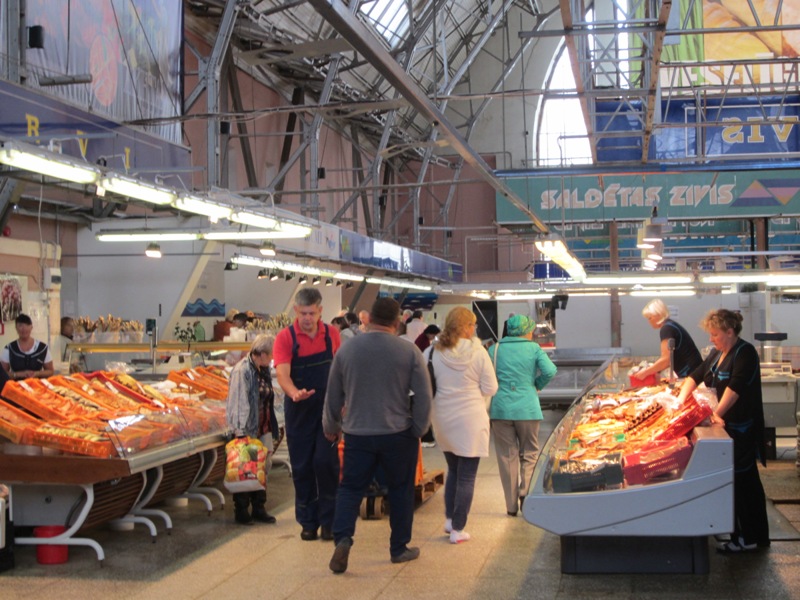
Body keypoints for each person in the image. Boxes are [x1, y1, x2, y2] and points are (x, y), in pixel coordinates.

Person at [323, 297, 432, 574]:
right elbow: (424, 395)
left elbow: (333, 394)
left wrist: (332, 425)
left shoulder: (347, 350)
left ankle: (343, 538)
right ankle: (399, 548)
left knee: (349, 488)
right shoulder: (408, 352)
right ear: (397, 323)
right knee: (400, 490)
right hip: (398, 433)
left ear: (368, 319)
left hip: (358, 433)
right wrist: (419, 427)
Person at [675, 309, 770, 553]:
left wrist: (718, 413)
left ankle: (748, 537)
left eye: (715, 334)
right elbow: (695, 376)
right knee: (737, 482)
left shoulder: (745, 353)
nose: (711, 339)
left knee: (744, 482)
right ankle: (749, 534)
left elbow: (735, 388)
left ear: (730, 332)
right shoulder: (717, 353)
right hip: (725, 429)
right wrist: (680, 401)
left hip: (741, 429)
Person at [424, 307, 498, 544]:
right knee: (467, 476)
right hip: (470, 419)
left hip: (443, 418)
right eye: (472, 324)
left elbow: (424, 384)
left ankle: (449, 520)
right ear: (465, 327)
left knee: (454, 470)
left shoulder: (433, 352)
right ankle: (458, 529)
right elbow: (491, 388)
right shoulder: (478, 353)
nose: (474, 328)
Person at [274, 288, 341, 541]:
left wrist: (342, 401)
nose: (307, 318)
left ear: (320, 311)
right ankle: (308, 522)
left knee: (325, 463)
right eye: (303, 313)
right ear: (295, 311)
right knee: (302, 468)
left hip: (326, 410)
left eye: (312, 313)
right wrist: (293, 393)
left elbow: (338, 371)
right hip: (299, 410)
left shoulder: (332, 335)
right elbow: (282, 373)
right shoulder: (285, 338)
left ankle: (330, 522)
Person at [489, 314, 557, 516]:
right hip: (527, 407)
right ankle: (525, 493)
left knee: (506, 456)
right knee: (529, 452)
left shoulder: (495, 348)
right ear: (527, 330)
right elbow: (550, 371)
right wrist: (536, 385)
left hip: (501, 408)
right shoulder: (533, 348)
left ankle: (510, 506)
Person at [225, 334, 279, 526]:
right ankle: (241, 510)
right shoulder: (242, 371)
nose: (272, 358)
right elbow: (239, 402)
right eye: (271, 354)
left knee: (263, 467)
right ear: (261, 353)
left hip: (263, 426)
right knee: (245, 467)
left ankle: (259, 507)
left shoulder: (261, 369)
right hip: (248, 428)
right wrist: (240, 431)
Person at [634, 299, 702, 382]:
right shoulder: (671, 325)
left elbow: (666, 360)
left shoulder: (667, 329)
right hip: (695, 373)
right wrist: (657, 370)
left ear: (658, 314)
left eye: (649, 318)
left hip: (692, 375)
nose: (649, 321)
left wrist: (645, 372)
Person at [1, 313, 54, 380]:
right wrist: (20, 374)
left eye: (27, 325)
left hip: (37, 386)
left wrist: (37, 373)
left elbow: (50, 371)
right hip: (15, 387)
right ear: (16, 328)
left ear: (31, 327)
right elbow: (2, 373)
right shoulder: (9, 348)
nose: (24, 329)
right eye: (20, 325)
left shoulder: (43, 348)